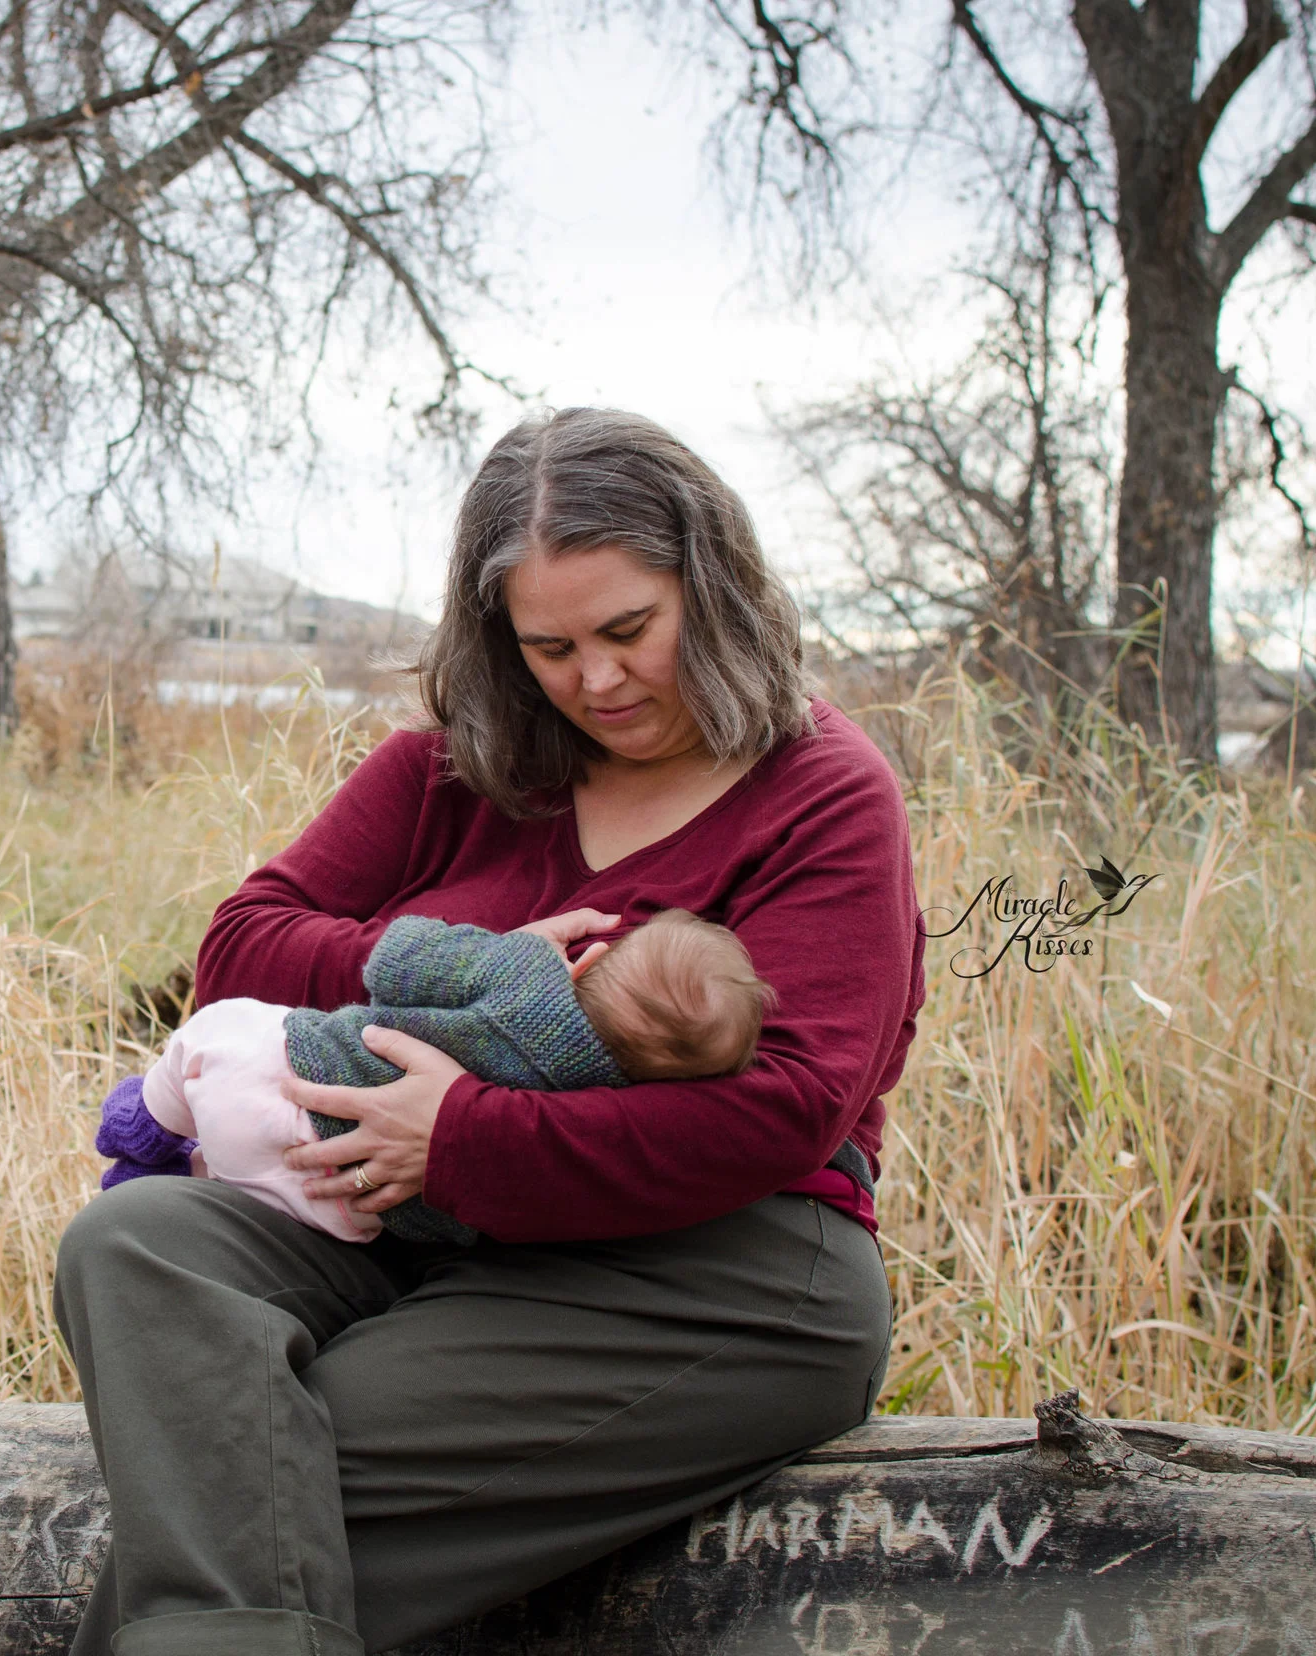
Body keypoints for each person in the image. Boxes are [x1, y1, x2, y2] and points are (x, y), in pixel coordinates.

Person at [54, 408, 921, 1656]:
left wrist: (460, 1136)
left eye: (628, 630)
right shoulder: (452, 771)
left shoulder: (822, 791)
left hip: (706, 1269)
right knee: (137, 1238)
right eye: (549, 647)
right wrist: (475, 967)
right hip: (409, 1234)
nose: (597, 681)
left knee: (261, 1472)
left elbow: (782, 1110)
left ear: (713, 588)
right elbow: (238, 950)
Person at [96, 907, 774, 1244]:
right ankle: (196, 1173)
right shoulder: (603, 1103)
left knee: (218, 1028)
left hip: (287, 1081)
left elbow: (394, 962)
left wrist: (504, 944)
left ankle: (145, 1130)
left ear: (592, 959)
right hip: (343, 1207)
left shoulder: (524, 972)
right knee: (247, 1180)